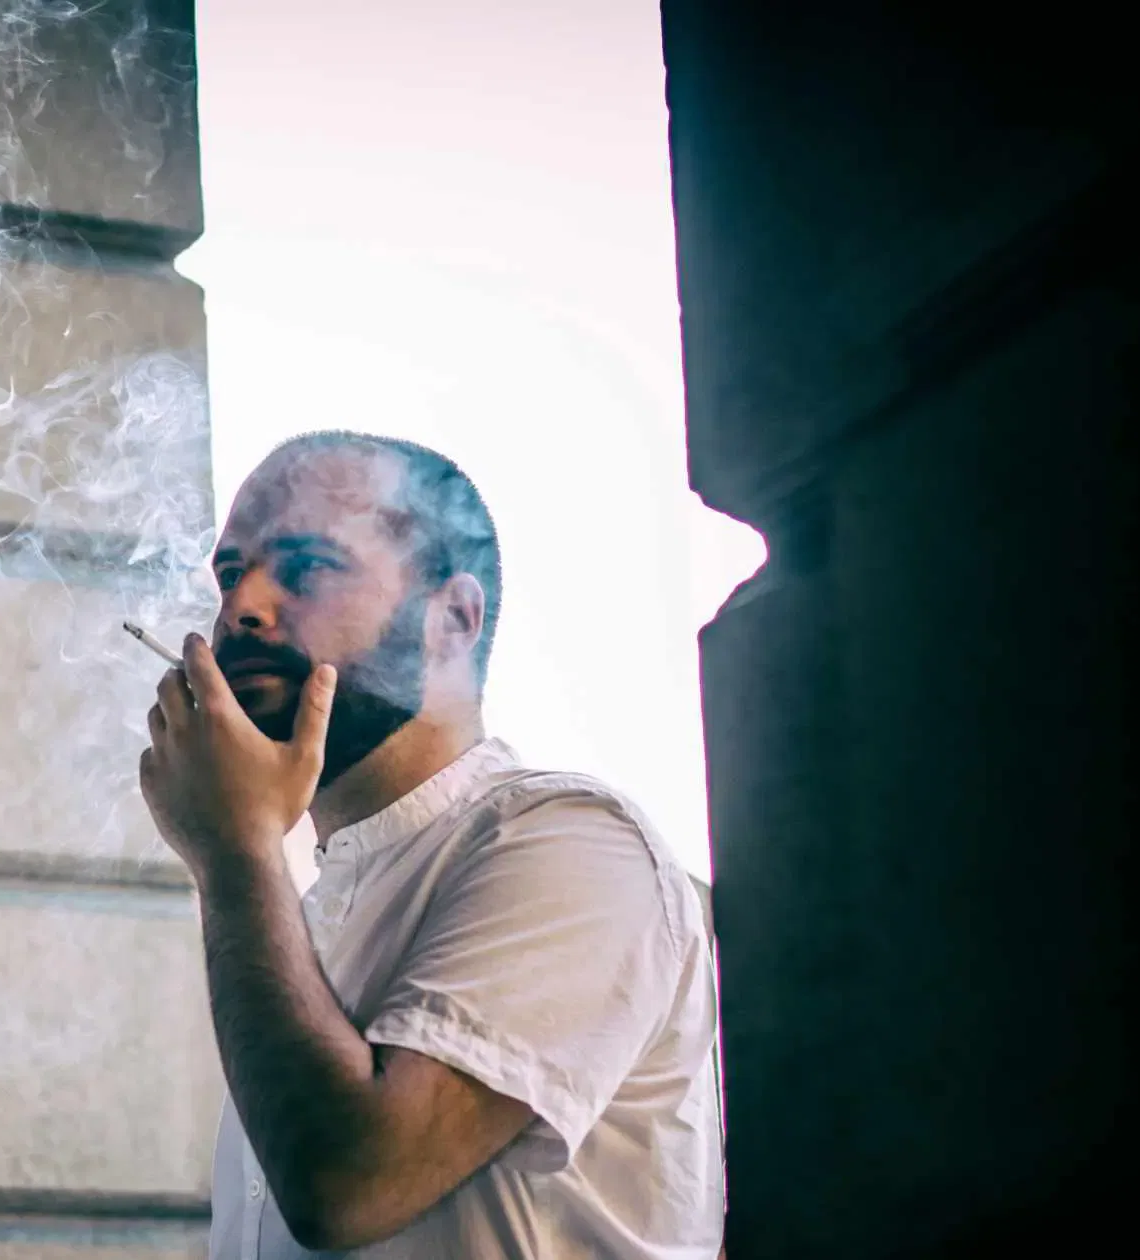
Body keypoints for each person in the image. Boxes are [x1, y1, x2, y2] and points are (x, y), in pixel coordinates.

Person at [139, 431, 725, 1258]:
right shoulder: (298, 916)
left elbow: (350, 1184)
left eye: (304, 567)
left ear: (453, 617)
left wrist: (235, 853)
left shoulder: (570, 844)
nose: (243, 606)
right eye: (232, 574)